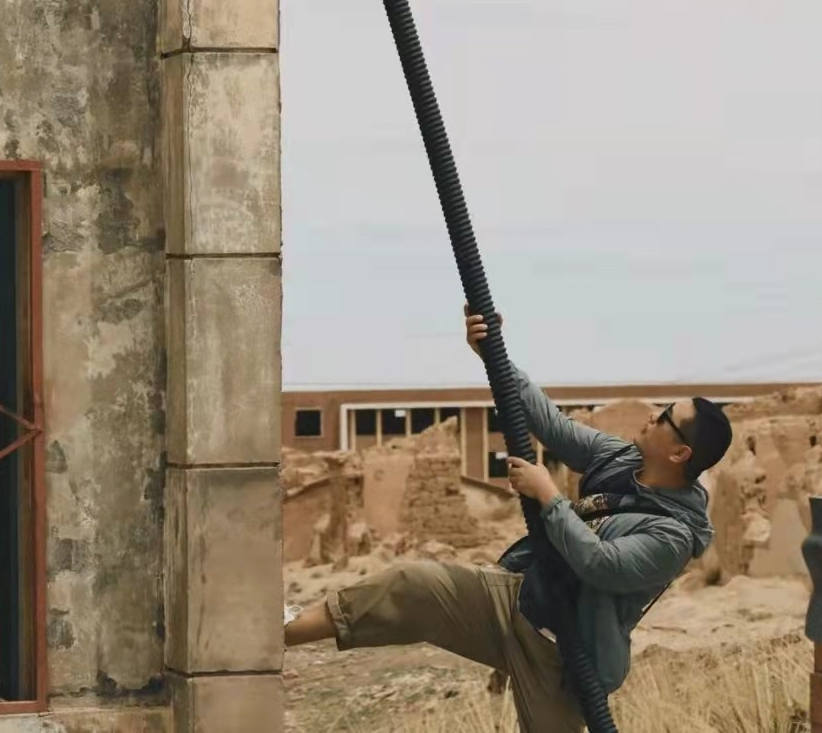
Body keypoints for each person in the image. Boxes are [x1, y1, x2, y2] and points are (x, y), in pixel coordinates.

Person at [283, 306, 734, 733]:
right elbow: (550, 424)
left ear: (680, 453)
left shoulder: (672, 535)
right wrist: (493, 355)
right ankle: (279, 633)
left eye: (665, 418)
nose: (651, 416)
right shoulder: (621, 458)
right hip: (517, 600)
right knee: (409, 586)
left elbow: (603, 565)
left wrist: (549, 497)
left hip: (562, 656)